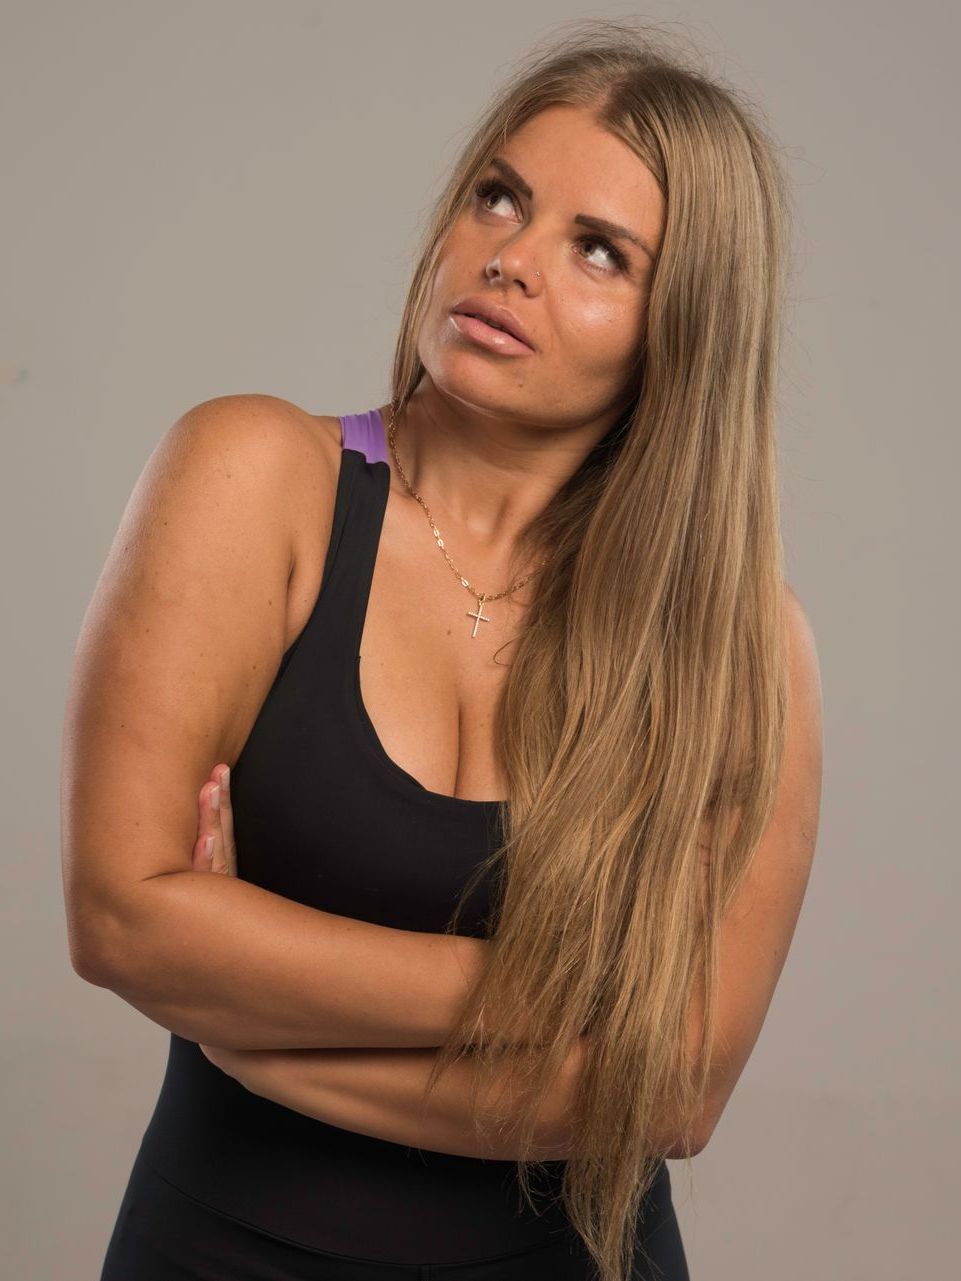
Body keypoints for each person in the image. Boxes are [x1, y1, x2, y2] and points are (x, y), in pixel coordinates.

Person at [61, 18, 823, 1281]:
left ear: (681, 329)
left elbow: (671, 1096)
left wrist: (246, 1022)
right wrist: (543, 1006)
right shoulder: (257, 477)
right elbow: (121, 920)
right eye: (499, 197)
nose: (512, 259)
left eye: (599, 251)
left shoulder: (740, 649)